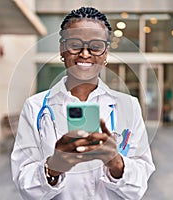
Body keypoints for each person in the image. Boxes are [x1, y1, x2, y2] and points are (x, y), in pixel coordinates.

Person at [11, 7, 155, 200]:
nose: (85, 53)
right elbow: (24, 183)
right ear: (62, 49)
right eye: (75, 44)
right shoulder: (35, 107)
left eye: (95, 46)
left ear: (105, 53)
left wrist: (116, 163)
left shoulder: (129, 106)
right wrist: (53, 167)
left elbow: (138, 186)